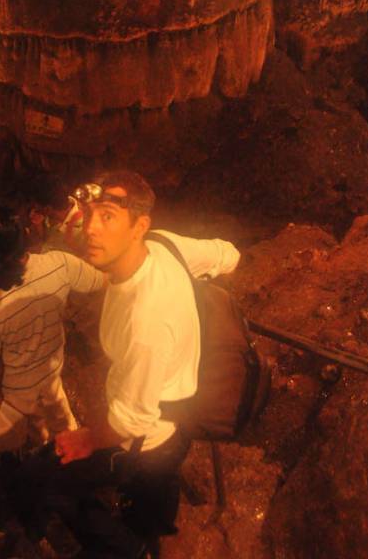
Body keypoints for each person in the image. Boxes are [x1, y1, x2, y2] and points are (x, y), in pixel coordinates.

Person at [17, 170, 241, 558]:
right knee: (148, 509)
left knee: (46, 483)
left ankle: (131, 551)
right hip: (175, 404)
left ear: (139, 226)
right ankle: (147, 529)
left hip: (151, 440)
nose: (90, 229)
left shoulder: (145, 320)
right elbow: (229, 255)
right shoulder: (164, 245)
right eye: (89, 215)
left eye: (107, 217)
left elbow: (130, 421)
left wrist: (85, 438)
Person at [0, 206, 105, 459]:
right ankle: (65, 457)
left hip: (18, 391)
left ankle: (38, 452)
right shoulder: (59, 265)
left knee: (34, 442)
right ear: (27, 234)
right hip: (52, 374)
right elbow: (100, 280)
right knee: (63, 429)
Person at [27, 172, 85, 255]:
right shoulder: (43, 216)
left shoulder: (82, 228)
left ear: (47, 208)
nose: (33, 208)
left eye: (34, 204)